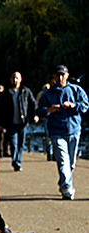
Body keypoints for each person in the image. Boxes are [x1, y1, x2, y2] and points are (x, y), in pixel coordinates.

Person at [36, 65, 89, 200]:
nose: (60, 78)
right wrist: (49, 110)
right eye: (57, 75)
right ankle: (67, 189)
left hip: (74, 130)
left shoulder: (76, 90)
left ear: (67, 75)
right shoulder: (47, 94)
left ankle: (64, 181)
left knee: (71, 163)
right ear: (53, 76)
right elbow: (39, 111)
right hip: (56, 131)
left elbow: (85, 105)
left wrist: (73, 105)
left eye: (62, 75)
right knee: (63, 161)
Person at [0, 72, 38, 172]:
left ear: (20, 79)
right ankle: (15, 161)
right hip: (11, 123)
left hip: (23, 122)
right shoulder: (6, 93)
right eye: (13, 78)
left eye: (17, 78)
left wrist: (35, 115)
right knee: (13, 143)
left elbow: (33, 104)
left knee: (21, 144)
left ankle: (18, 161)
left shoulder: (25, 91)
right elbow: (0, 109)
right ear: (10, 79)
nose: (15, 80)